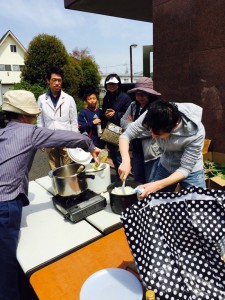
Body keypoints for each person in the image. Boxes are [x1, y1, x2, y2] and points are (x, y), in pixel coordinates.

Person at [0, 90, 101, 300]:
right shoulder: (29, 132)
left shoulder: (3, 131)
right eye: (33, 114)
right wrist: (89, 144)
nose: (36, 117)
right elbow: (66, 137)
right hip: (6, 203)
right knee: (6, 266)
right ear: (22, 116)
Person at [119, 99, 206, 197]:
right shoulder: (153, 114)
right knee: (157, 200)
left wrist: (157, 185)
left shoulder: (196, 131)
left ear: (174, 127)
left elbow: (185, 169)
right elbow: (125, 136)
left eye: (157, 133)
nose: (153, 136)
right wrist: (125, 160)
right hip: (165, 165)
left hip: (192, 171)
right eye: (150, 130)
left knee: (197, 204)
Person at [120, 77, 161, 183]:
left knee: (150, 179)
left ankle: (150, 199)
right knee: (137, 178)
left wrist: (132, 129)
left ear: (150, 94)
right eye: (138, 94)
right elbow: (123, 121)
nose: (141, 97)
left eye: (144, 94)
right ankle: (140, 198)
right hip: (137, 149)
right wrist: (134, 126)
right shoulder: (133, 105)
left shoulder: (155, 108)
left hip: (151, 151)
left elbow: (151, 130)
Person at [37, 66, 79, 169]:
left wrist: (75, 140)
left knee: (69, 169)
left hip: (66, 139)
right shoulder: (42, 99)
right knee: (54, 169)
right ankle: (57, 185)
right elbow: (40, 120)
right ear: (48, 81)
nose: (57, 83)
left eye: (59, 80)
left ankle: (69, 185)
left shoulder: (69, 99)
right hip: (50, 139)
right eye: (54, 80)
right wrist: (40, 140)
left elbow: (74, 121)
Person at [101, 73, 132, 180]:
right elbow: (103, 113)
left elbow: (129, 116)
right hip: (110, 130)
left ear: (118, 85)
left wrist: (116, 114)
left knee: (120, 157)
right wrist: (104, 116)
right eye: (109, 84)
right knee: (113, 156)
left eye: (114, 84)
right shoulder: (106, 98)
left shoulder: (126, 98)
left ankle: (125, 180)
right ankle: (119, 178)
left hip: (121, 131)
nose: (111, 86)